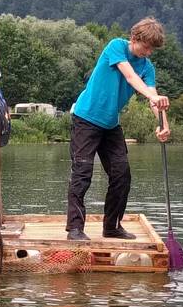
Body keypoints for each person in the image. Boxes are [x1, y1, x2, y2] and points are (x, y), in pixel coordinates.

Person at [66, 17, 171, 241]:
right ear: (134, 38)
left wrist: (164, 125)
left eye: (152, 49)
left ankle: (112, 226)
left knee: (122, 175)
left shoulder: (147, 67)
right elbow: (130, 76)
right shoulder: (116, 46)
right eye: (146, 47)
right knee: (82, 173)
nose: (148, 52)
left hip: (111, 125)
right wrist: (152, 95)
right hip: (86, 119)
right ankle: (75, 229)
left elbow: (153, 99)